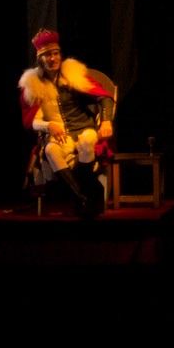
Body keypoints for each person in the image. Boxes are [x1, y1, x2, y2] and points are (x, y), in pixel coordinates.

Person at [18, 28, 114, 218]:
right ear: (40, 59)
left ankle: (86, 198)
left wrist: (106, 121)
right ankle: (83, 199)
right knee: (50, 150)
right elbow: (31, 121)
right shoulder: (33, 85)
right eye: (47, 55)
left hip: (84, 128)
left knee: (87, 142)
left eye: (56, 53)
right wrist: (48, 126)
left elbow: (104, 98)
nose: (53, 58)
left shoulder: (72, 76)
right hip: (59, 135)